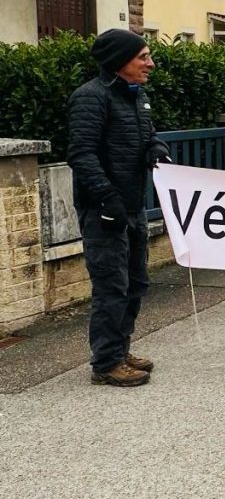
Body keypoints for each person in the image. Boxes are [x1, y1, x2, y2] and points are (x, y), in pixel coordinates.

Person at [67, 30, 171, 387]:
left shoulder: (137, 96)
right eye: (143, 57)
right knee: (112, 286)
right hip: (104, 211)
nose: (150, 64)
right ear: (120, 61)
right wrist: (105, 198)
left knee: (136, 282)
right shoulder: (90, 98)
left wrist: (154, 148)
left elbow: (148, 135)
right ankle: (106, 362)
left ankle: (120, 349)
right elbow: (81, 154)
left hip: (132, 206)